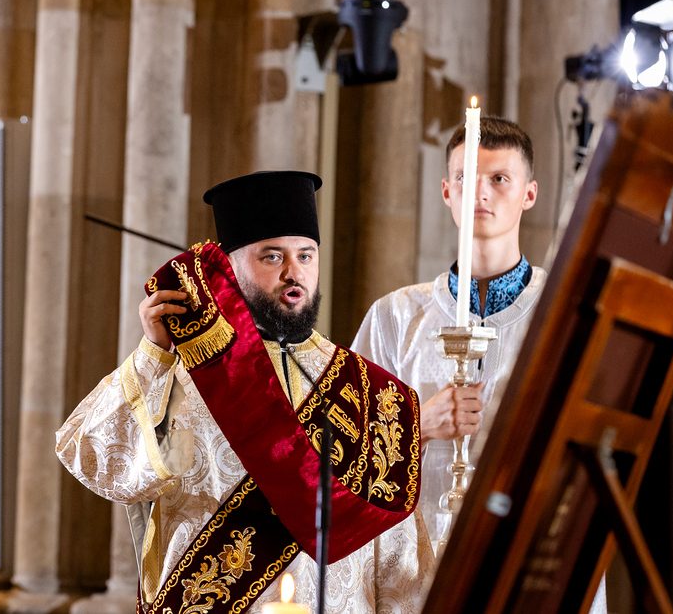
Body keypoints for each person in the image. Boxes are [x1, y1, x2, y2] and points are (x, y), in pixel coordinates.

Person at [58, 171, 425, 614]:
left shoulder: (373, 392)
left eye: (305, 255)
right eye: (272, 257)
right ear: (229, 270)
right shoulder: (187, 380)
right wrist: (154, 355)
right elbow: (104, 466)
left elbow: (398, 557)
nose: (294, 272)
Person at [352, 116, 605, 612]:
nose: (480, 193)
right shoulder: (394, 318)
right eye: (466, 177)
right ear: (447, 191)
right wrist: (418, 424)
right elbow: (343, 451)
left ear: (529, 194)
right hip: (415, 573)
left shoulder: (566, 312)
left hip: (529, 557)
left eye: (499, 178)